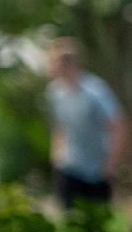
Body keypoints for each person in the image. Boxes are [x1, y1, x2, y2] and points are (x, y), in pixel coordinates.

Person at [44, 38, 123, 208]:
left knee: (97, 223)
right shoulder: (54, 92)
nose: (49, 67)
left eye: (53, 62)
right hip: (69, 166)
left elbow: (116, 126)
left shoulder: (96, 92)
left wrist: (111, 164)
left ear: (68, 64)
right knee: (68, 220)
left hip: (97, 170)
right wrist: (56, 154)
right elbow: (60, 124)